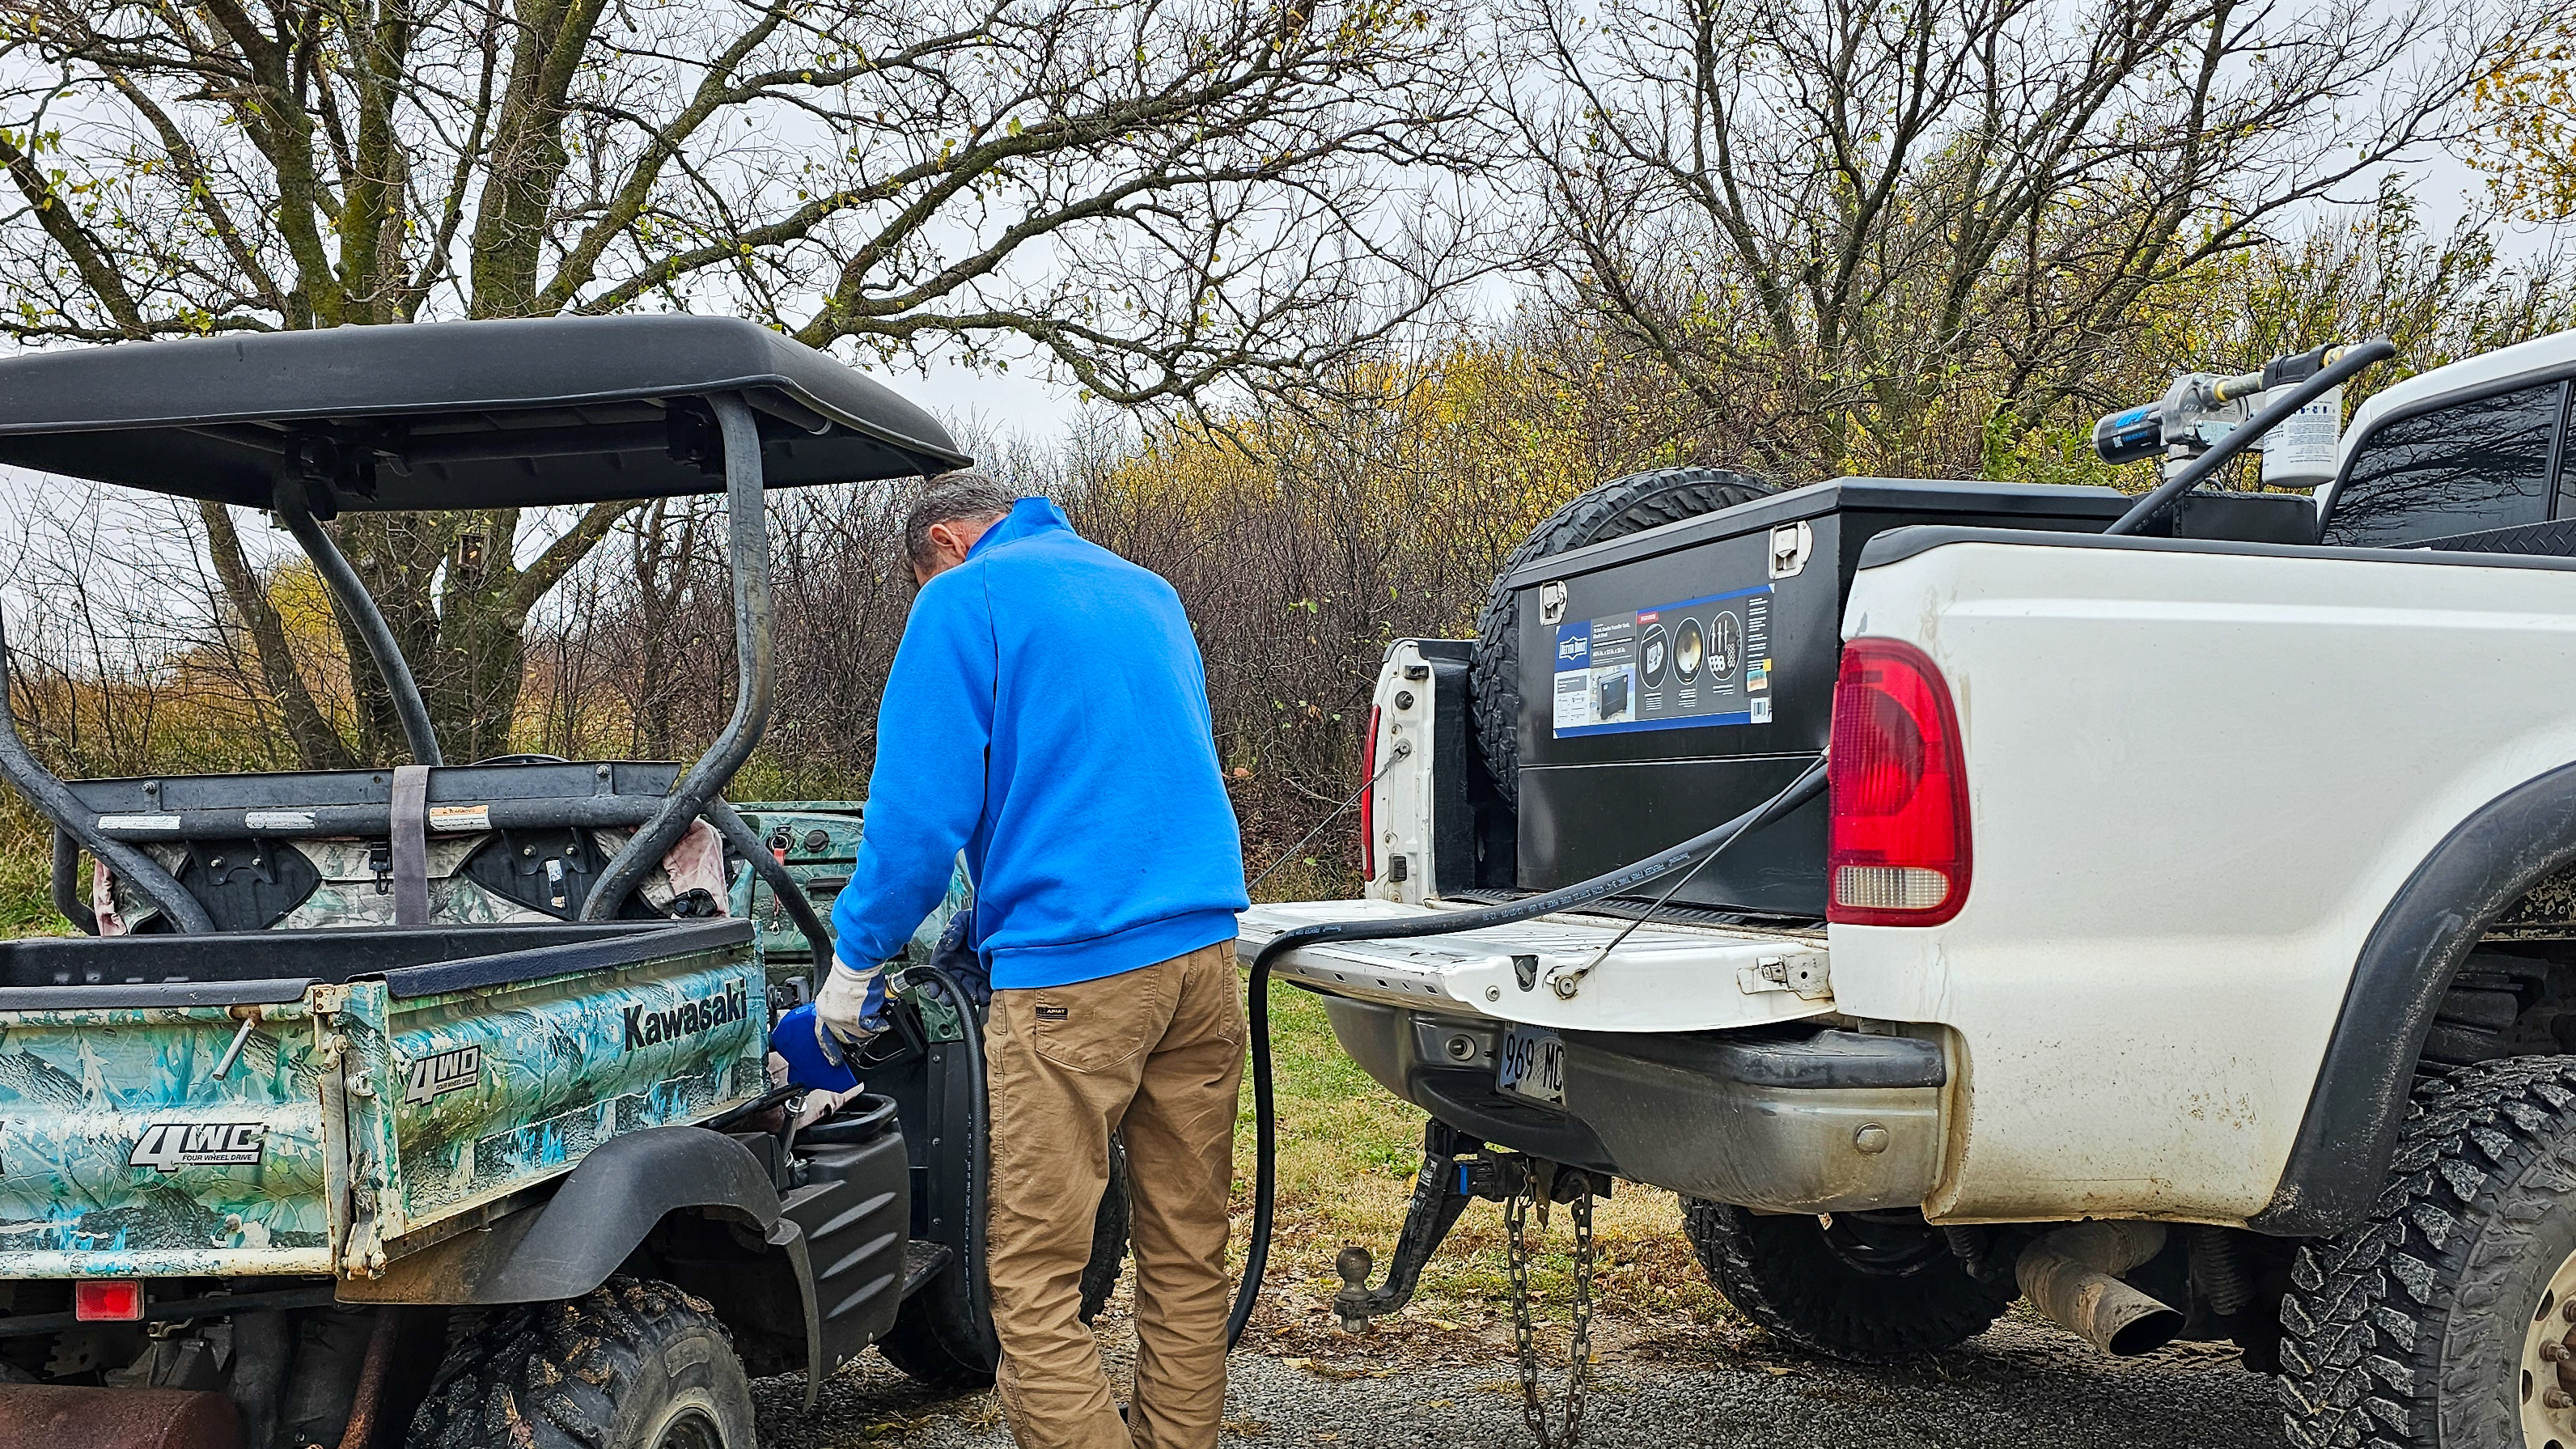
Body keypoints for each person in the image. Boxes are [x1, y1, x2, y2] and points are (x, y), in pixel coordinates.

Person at [818, 471, 1250, 1449]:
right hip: (1200, 958)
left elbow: (919, 816)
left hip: (1071, 975)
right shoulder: (1146, 589)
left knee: (1036, 1280)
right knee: (1186, 1250)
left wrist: (858, 959)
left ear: (944, 542)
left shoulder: (962, 598)